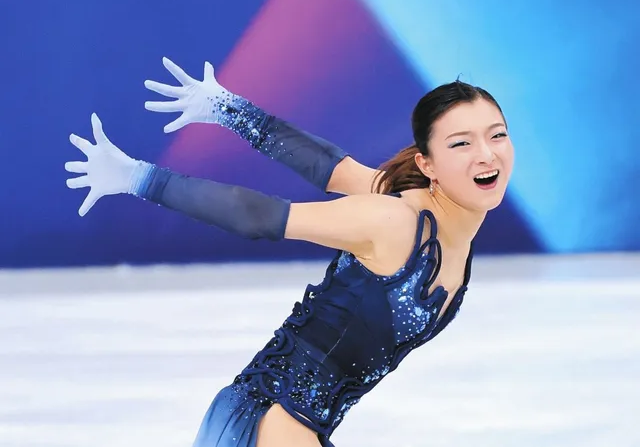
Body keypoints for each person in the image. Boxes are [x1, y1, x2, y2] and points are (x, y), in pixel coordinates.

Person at [65, 57, 514, 447]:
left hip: (294, 422)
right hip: (272, 420)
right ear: (427, 164)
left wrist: (225, 108)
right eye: (461, 143)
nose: (486, 155)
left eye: (496, 136)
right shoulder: (394, 223)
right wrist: (139, 177)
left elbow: (327, 165)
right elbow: (258, 216)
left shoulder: (442, 224)